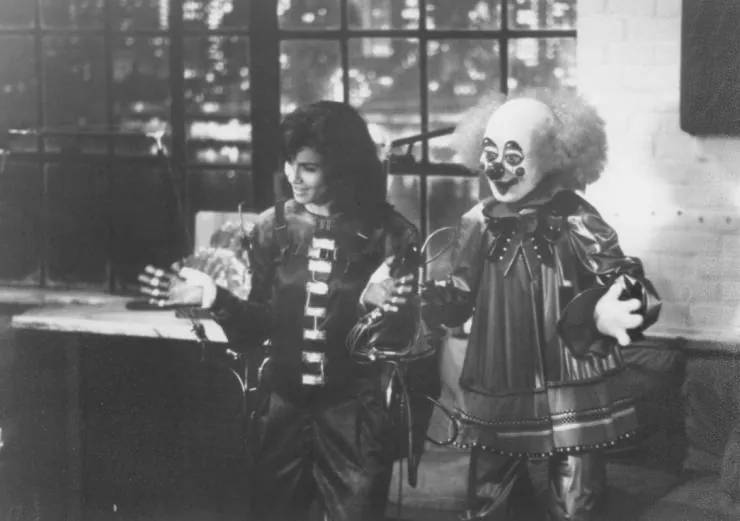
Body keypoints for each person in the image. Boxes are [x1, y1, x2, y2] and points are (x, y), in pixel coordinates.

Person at [139, 100, 420, 521]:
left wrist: (379, 308)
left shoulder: (390, 234)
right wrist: (213, 298)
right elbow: (259, 325)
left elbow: (406, 343)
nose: (293, 176)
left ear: (342, 167)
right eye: (290, 163)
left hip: (354, 420)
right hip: (281, 417)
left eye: (308, 168)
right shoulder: (272, 228)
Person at [420, 89, 662, 521]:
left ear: (553, 156)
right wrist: (432, 301)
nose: (496, 167)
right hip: (500, 376)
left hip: (569, 378)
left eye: (514, 155)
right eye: (490, 153)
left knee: (576, 501)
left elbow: (626, 279)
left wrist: (613, 309)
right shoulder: (478, 222)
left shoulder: (577, 219)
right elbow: (458, 298)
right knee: (488, 497)